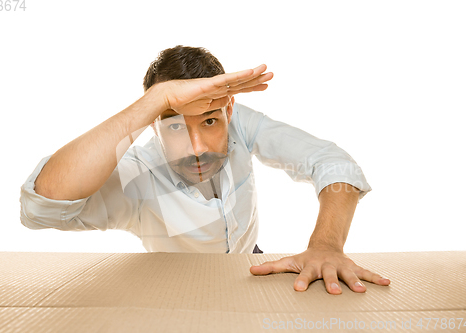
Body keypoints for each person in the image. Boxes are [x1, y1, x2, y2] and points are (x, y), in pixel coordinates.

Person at [20, 45, 390, 294]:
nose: (197, 149)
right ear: (153, 123)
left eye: (210, 122)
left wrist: (325, 245)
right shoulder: (138, 173)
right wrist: (155, 101)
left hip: (251, 265)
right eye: (176, 125)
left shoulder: (241, 122)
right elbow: (41, 207)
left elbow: (332, 162)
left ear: (228, 111)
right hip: (179, 288)